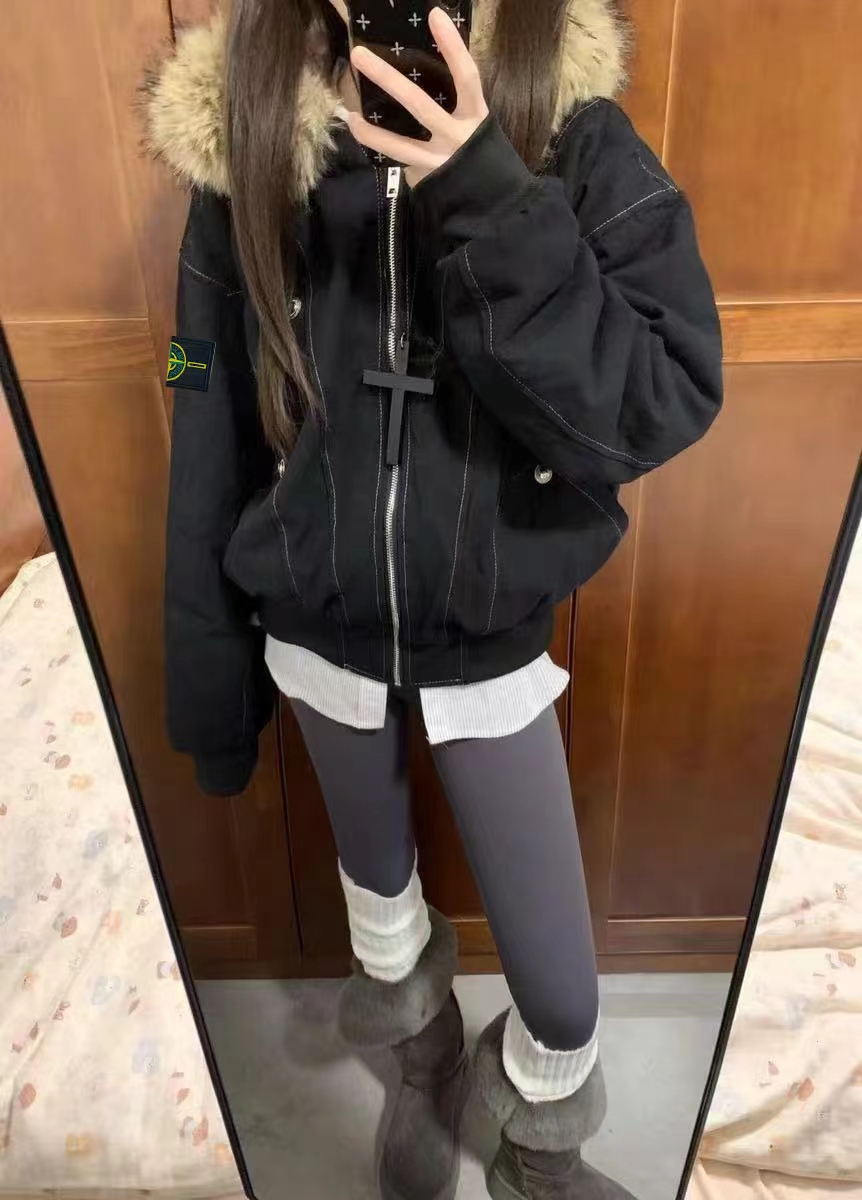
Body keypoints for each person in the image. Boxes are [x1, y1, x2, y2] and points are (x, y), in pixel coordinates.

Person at [147, 1, 722, 1197]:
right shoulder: (251, 136)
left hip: (489, 638)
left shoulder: (571, 127)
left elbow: (660, 395)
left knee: (561, 995)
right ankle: (423, 1070)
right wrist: (212, 699)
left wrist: (489, 192)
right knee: (381, 915)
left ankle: (540, 1153)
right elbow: (204, 416)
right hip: (317, 632)